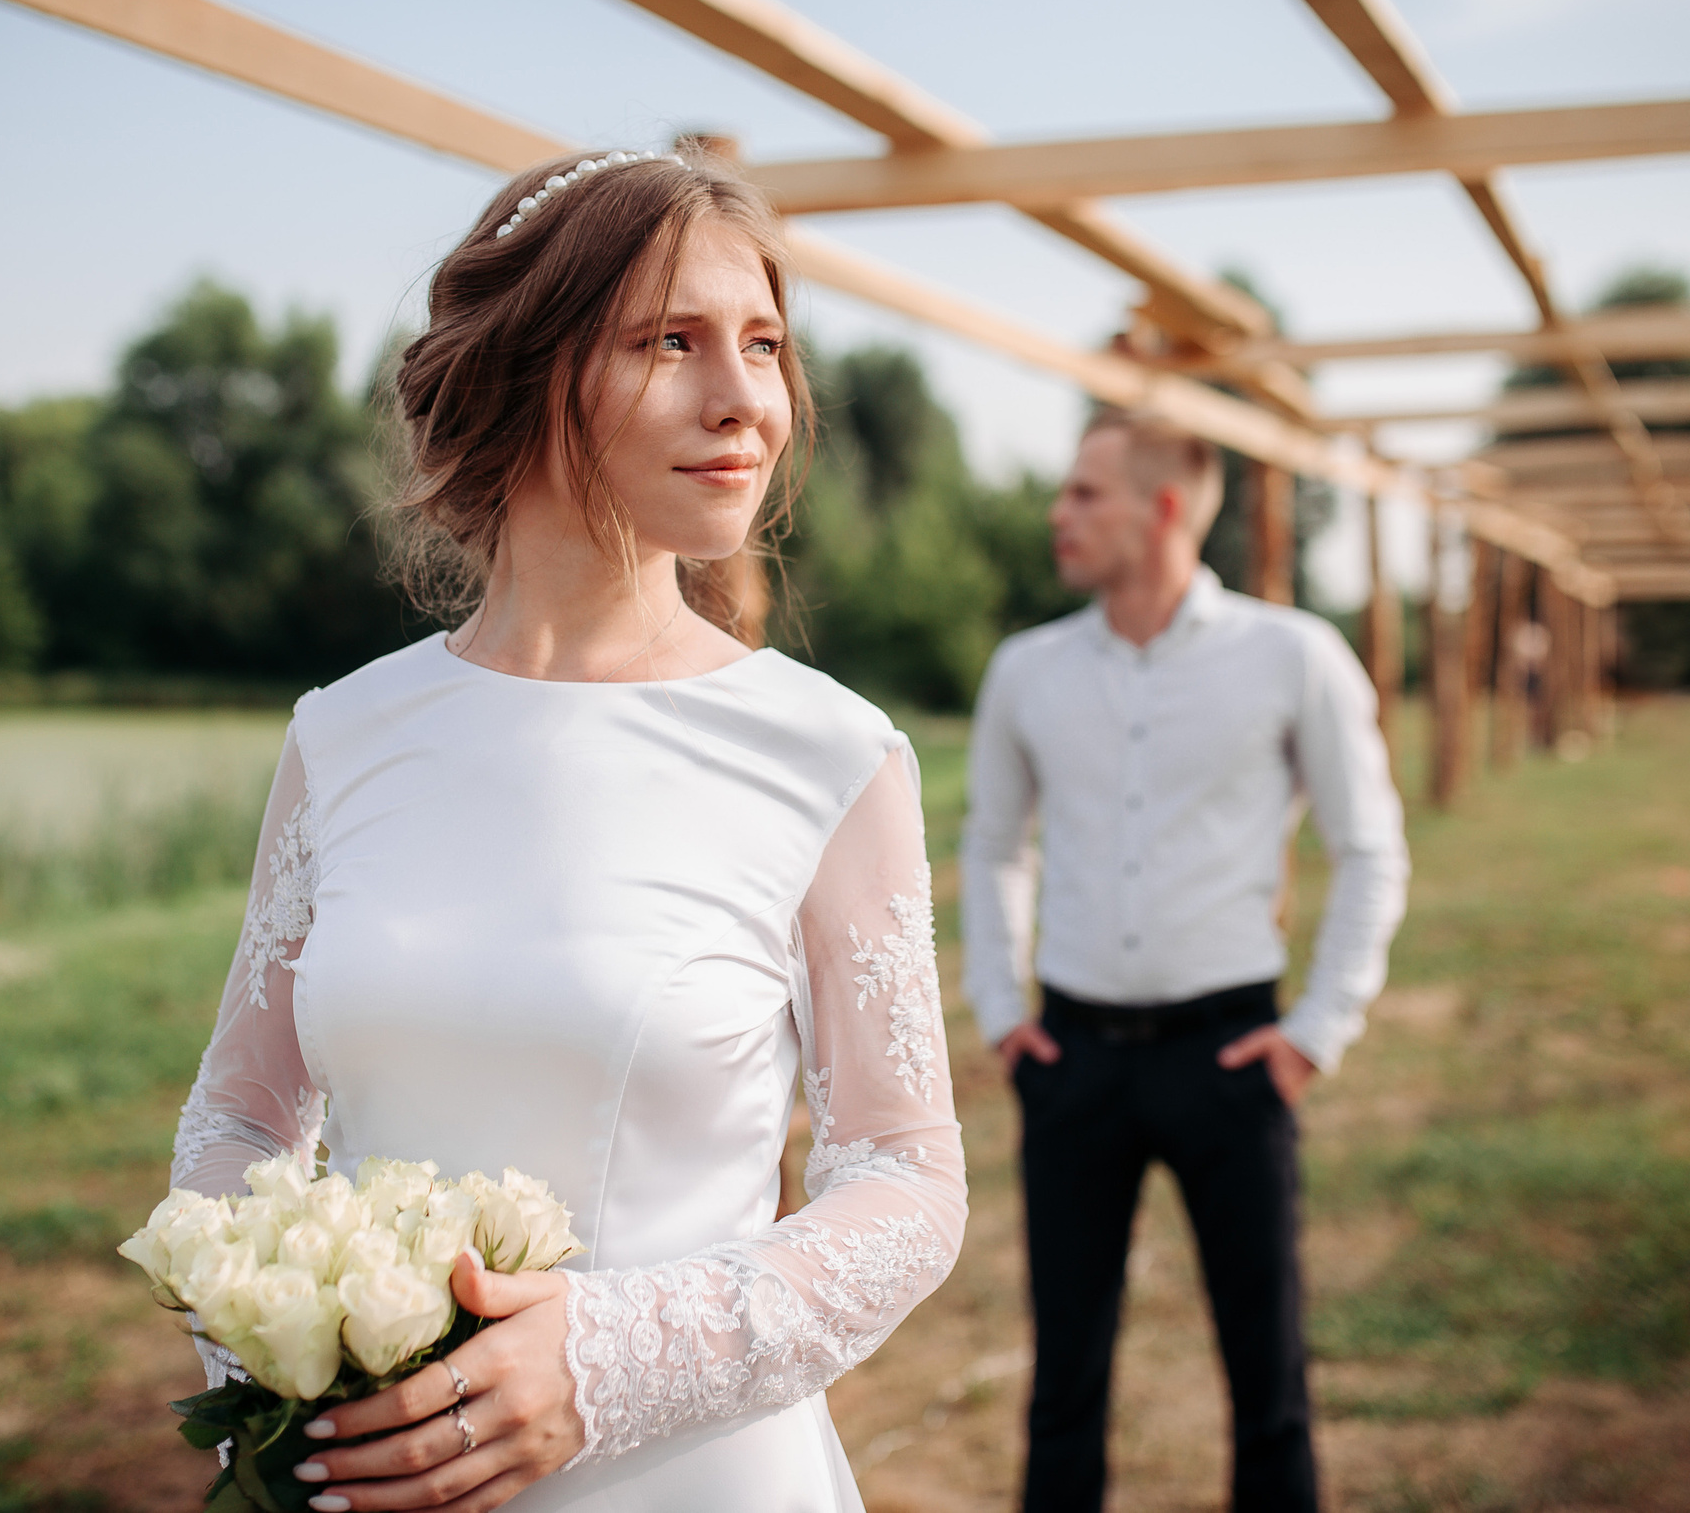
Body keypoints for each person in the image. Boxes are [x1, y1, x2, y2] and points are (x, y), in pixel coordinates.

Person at [170, 147, 966, 1511]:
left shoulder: (832, 754)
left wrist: (606, 1358)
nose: (746, 402)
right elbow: (243, 1111)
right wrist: (291, 1345)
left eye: (765, 345)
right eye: (673, 340)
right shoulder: (342, 736)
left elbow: (903, 1173)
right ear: (528, 367)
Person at [960, 414, 1407, 1512]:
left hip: (1230, 1055)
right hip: (1068, 1058)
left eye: (1083, 495)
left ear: (1164, 508)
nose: (1058, 516)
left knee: (1269, 1373)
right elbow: (990, 846)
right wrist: (999, 1010)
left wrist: (1314, 1033)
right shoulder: (1027, 669)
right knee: (1063, 1374)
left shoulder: (1291, 655)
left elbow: (1369, 850)